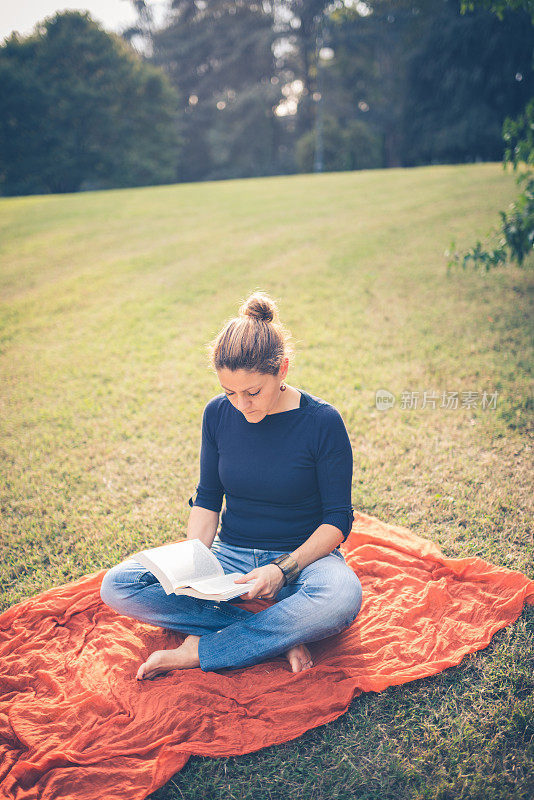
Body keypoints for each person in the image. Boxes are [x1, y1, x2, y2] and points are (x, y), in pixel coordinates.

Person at [100, 291, 362, 679]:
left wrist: (281, 570)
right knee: (119, 585)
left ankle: (205, 648)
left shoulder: (322, 422)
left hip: (303, 561)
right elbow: (207, 499)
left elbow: (338, 520)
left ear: (283, 369)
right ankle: (281, 633)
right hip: (231, 559)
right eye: (230, 392)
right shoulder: (217, 414)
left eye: (253, 392)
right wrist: (193, 564)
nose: (241, 405)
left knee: (341, 598)